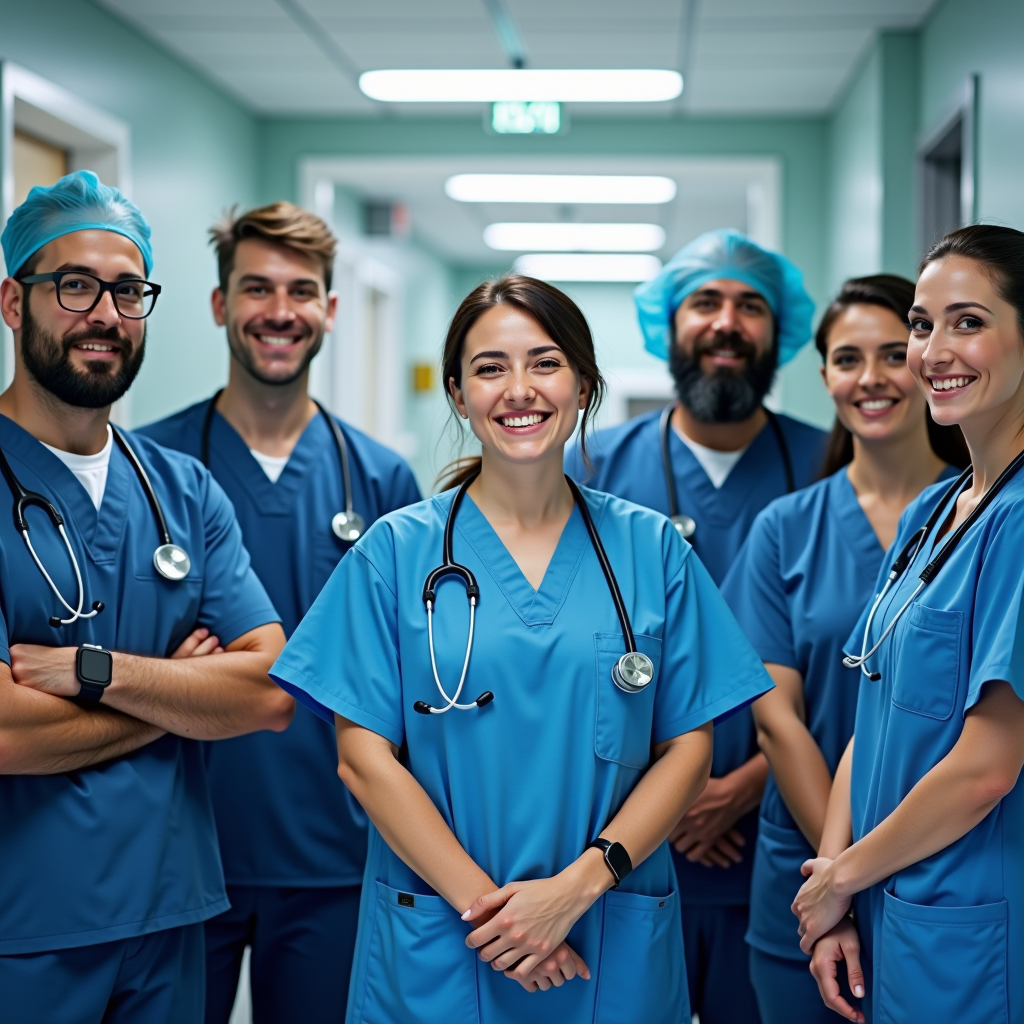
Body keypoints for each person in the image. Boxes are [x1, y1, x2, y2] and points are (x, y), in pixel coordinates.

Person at [270, 275, 773, 1023]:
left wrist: (576, 890)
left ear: (583, 384)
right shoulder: (394, 553)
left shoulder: (651, 549)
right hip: (443, 938)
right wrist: (500, 918)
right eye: (489, 368)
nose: (519, 390)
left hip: (608, 933)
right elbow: (363, 759)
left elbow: (688, 749)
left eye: (544, 363)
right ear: (457, 392)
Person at [0, 170, 291, 1023]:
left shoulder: (181, 490)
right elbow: (4, 734)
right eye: (76, 285)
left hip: (170, 916)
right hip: (23, 928)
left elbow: (272, 692)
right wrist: (181, 693)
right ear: (14, 302)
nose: (105, 314)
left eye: (129, 292)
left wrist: (92, 672)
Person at [140, 202, 421, 1023]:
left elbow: (406, 678)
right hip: (183, 848)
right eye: (256, 287)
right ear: (221, 304)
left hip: (334, 852)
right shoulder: (148, 466)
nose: (279, 311)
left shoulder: (382, 481)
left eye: (302, 291)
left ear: (330, 310)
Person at [566, 228, 826, 1023]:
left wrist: (745, 786)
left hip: (784, 846)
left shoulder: (831, 466)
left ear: (778, 331)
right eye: (704, 302)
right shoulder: (590, 467)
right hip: (629, 849)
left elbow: (856, 668)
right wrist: (672, 803)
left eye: (750, 306)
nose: (726, 323)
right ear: (667, 326)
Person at [793, 224, 1024, 1024]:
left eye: (969, 321)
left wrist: (844, 879)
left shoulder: (1021, 523)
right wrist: (833, 880)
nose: (934, 351)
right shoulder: (936, 509)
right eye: (923, 325)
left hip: (965, 915)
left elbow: (989, 765)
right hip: (882, 902)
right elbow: (874, 710)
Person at [721, 274, 967, 1024]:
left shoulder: (981, 515)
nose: (872, 378)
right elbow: (778, 721)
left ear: (929, 355)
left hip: (944, 861)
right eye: (847, 358)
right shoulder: (783, 529)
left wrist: (865, 863)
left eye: (896, 352)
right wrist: (837, 871)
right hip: (804, 871)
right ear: (823, 373)